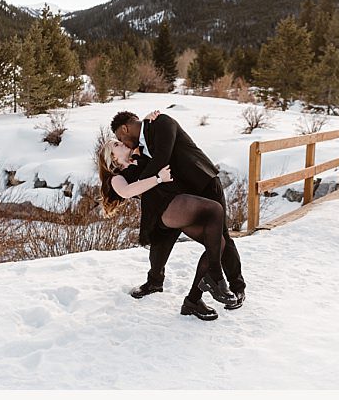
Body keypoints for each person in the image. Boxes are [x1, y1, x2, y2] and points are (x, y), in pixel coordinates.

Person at [98, 122, 238, 322]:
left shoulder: (139, 157)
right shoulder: (117, 178)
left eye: (120, 141)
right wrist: (158, 178)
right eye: (117, 145)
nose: (121, 143)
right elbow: (128, 192)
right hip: (165, 209)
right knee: (214, 209)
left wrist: (148, 118)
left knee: (219, 243)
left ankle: (193, 300)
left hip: (180, 205)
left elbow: (147, 135)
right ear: (112, 157)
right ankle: (215, 276)